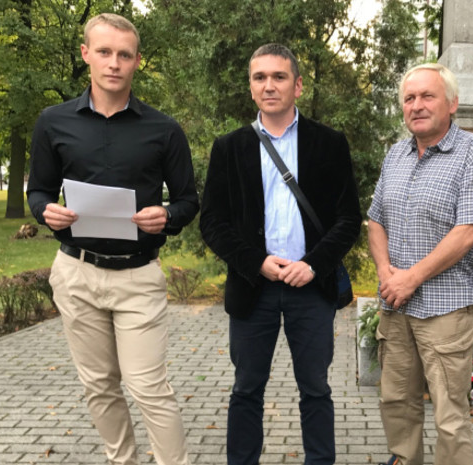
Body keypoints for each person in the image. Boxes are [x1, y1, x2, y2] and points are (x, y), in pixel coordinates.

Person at [26, 13, 198, 465]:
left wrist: (167, 215)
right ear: (86, 54)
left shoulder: (164, 129)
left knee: (148, 386)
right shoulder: (52, 122)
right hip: (76, 273)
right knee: (99, 385)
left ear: (137, 60)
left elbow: (188, 200)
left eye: (124, 54)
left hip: (138, 277)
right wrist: (45, 211)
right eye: (104, 52)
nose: (114, 63)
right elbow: (38, 190)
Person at [199, 43, 361, 465]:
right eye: (260, 77)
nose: (269, 85)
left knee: (316, 389)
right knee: (246, 389)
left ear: (298, 85)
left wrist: (313, 265)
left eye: (279, 76)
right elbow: (212, 222)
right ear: (251, 87)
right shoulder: (229, 147)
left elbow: (348, 219)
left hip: (311, 287)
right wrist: (256, 262)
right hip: (254, 287)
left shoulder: (328, 143)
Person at [368, 63, 473, 465]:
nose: (417, 105)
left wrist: (411, 278)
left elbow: (470, 231)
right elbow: (376, 221)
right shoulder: (396, 154)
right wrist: (385, 272)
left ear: (452, 103)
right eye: (409, 98)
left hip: (445, 311)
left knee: (449, 415)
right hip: (396, 306)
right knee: (396, 401)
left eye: (428, 96)